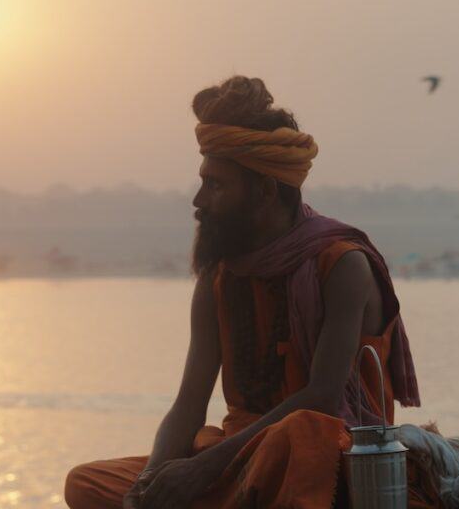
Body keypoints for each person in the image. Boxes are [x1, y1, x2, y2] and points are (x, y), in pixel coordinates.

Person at [64, 75, 435, 508]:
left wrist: (202, 470)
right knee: (87, 483)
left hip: (325, 463)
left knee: (301, 432)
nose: (199, 200)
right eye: (203, 182)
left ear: (264, 191)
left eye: (216, 185)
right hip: (234, 462)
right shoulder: (220, 274)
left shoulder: (340, 264)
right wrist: (148, 486)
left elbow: (323, 398)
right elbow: (189, 403)